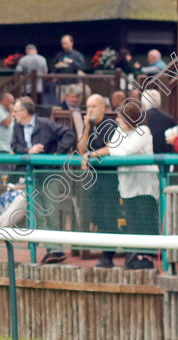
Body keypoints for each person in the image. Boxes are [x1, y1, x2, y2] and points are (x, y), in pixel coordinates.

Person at [85, 101, 158, 269]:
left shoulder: (143, 131)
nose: (117, 120)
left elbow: (124, 151)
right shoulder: (119, 130)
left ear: (129, 119)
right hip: (127, 184)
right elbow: (116, 150)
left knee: (145, 220)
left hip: (144, 185)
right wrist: (118, 149)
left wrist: (119, 149)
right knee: (132, 221)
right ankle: (132, 258)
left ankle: (145, 257)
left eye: (121, 117)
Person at [11, 96, 75, 264]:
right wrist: (28, 150)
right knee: (37, 212)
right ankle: (50, 248)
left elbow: (69, 133)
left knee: (50, 210)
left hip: (48, 173)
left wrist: (58, 154)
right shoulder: (17, 127)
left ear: (25, 112)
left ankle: (55, 249)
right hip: (31, 174)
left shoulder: (46, 124)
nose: (14, 114)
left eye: (16, 111)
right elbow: (14, 146)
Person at [78, 94, 119, 268]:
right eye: (88, 107)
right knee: (97, 216)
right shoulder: (91, 127)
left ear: (103, 107)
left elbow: (112, 148)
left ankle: (108, 255)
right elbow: (80, 150)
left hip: (110, 179)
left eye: (93, 106)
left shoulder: (111, 125)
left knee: (109, 217)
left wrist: (91, 155)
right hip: (95, 180)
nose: (90, 110)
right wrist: (86, 129)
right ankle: (106, 252)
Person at [141, 89, 175, 155]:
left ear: (143, 103)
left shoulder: (139, 118)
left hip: (144, 158)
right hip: (165, 157)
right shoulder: (169, 119)